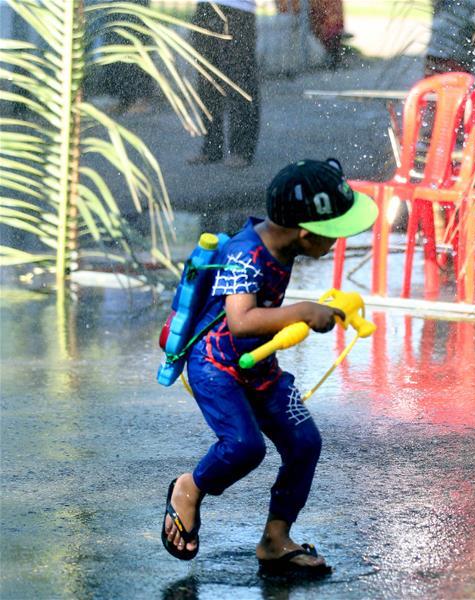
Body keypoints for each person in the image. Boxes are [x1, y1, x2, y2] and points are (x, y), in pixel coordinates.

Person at [160, 159, 378, 573]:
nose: (335, 244)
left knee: (304, 444)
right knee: (244, 447)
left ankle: (276, 539)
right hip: (216, 365)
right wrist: (302, 311)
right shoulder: (246, 254)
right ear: (305, 233)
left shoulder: (283, 243)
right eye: (331, 236)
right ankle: (188, 488)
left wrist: (320, 311)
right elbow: (241, 322)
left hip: (259, 366)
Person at [188, 0, 260, 168]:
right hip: (206, 5)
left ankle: (242, 150)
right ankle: (212, 147)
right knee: (207, 78)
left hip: (238, 7)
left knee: (240, 78)